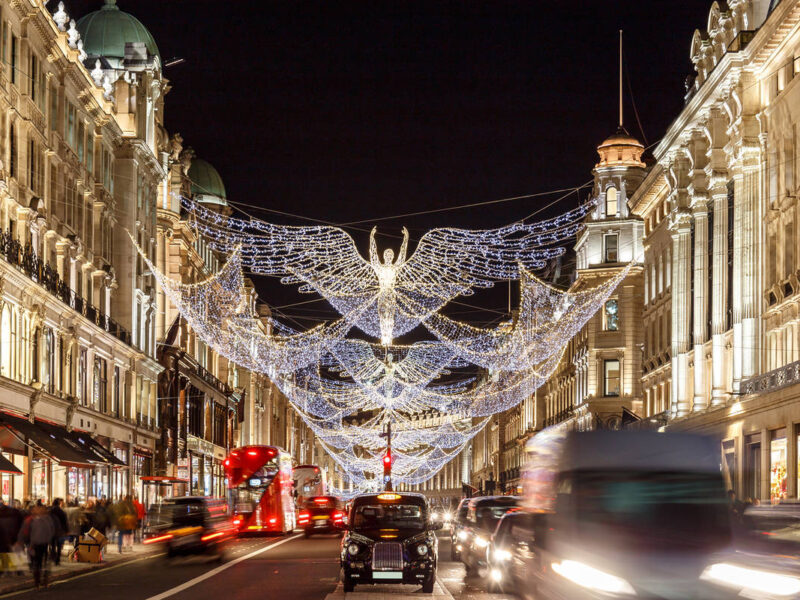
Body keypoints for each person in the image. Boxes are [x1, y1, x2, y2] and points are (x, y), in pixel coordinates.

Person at [19, 505, 55, 589]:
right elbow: (34, 533)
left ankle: (41, 582)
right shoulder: (35, 520)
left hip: (41, 544)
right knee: (39, 563)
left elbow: (50, 531)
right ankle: (39, 582)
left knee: (41, 563)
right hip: (38, 544)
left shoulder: (42, 520)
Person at [0, 500, 22, 575]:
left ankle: (5, 570)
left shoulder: (3, 516)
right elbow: (20, 526)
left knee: (4, 552)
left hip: (4, 538)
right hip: (13, 537)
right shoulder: (15, 515)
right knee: (13, 552)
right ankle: (15, 569)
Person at [49, 499, 68, 566]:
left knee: (53, 544)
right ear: (59, 504)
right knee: (59, 545)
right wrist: (66, 530)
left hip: (51, 530)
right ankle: (57, 559)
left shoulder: (50, 511)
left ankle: (53, 556)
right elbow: (64, 521)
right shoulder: (61, 511)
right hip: (59, 530)